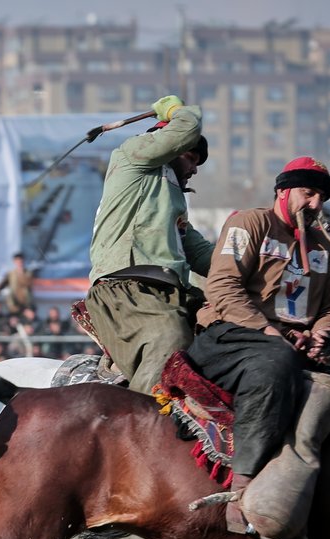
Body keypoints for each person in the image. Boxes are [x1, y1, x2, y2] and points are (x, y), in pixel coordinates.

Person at [189, 156, 330, 534]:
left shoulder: (323, 246)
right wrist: (270, 331)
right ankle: (241, 491)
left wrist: (322, 331)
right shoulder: (251, 223)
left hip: (290, 342)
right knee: (275, 364)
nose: (316, 204)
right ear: (283, 192)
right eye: (308, 194)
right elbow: (223, 287)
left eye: (322, 197)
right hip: (231, 335)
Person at [84, 94, 213, 394]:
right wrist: (176, 110)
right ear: (167, 145)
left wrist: (261, 263)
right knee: (169, 340)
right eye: (191, 158)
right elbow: (187, 128)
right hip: (128, 287)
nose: (194, 170)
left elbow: (205, 256)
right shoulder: (132, 155)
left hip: (169, 292)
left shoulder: (172, 204)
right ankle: (142, 430)